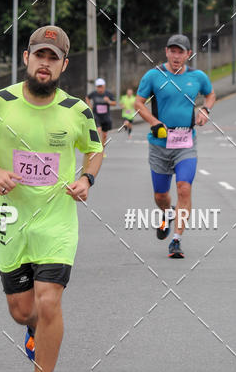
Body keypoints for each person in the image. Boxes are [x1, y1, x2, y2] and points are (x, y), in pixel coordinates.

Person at [0, 25, 103, 372]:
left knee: (49, 300)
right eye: (40, 55)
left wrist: (87, 179)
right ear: (26, 58)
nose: (45, 63)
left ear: (64, 65)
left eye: (54, 58)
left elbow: (94, 148)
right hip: (12, 220)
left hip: (57, 221)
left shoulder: (77, 110)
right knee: (22, 310)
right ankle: (34, 329)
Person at [134, 34, 216, 259]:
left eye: (180, 52)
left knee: (183, 188)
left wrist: (205, 109)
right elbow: (138, 103)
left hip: (186, 142)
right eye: (172, 51)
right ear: (166, 52)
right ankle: (167, 212)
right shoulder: (154, 76)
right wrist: (154, 122)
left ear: (188, 54)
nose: (176, 56)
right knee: (160, 195)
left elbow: (210, 94)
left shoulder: (197, 77)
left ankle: (176, 240)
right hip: (159, 144)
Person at [86, 78, 117, 147]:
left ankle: (102, 149)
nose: (100, 88)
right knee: (98, 130)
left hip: (106, 116)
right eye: (98, 87)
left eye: (101, 86)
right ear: (96, 87)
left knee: (105, 135)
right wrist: (89, 105)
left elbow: (114, 103)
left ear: (104, 86)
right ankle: (97, 147)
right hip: (96, 115)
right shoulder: (94, 93)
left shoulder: (108, 94)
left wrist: (108, 101)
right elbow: (87, 97)